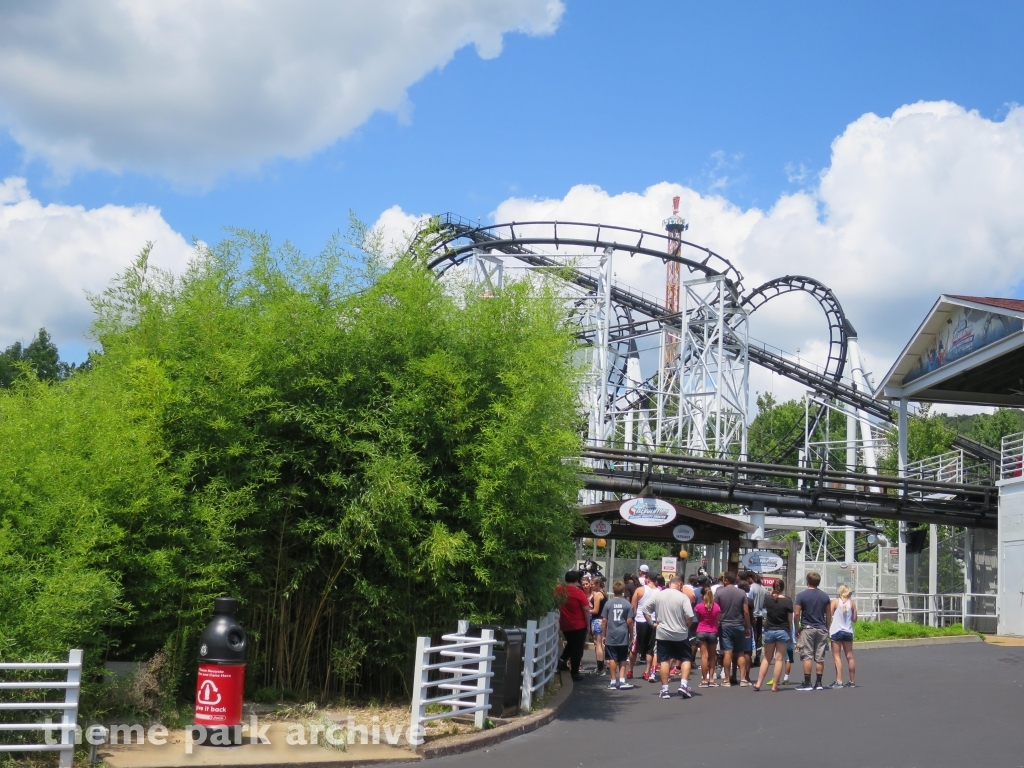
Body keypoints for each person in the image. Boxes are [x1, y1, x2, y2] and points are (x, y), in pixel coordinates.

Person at [642, 576, 695, 699]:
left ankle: (665, 690)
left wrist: (651, 623)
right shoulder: (683, 597)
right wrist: (687, 625)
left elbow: (645, 609)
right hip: (680, 633)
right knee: (686, 658)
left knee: (664, 660)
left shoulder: (659, 595)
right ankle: (684, 685)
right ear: (680, 585)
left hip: (663, 633)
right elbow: (690, 615)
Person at [794, 571, 833, 691]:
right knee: (820, 657)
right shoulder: (825, 596)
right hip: (821, 628)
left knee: (807, 656)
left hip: (807, 628)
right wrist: (827, 628)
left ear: (807, 581)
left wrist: (797, 628)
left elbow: (796, 614)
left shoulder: (801, 596)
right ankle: (819, 682)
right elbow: (828, 614)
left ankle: (807, 683)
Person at [754, 578, 793, 692]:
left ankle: (758, 683)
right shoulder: (788, 601)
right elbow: (790, 620)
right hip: (783, 630)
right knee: (779, 659)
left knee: (766, 658)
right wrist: (791, 634)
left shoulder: (768, 599)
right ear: (783, 588)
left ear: (773, 587)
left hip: (770, 630)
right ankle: (774, 685)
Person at [714, 571, 751, 686]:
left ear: (725, 580)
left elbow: (716, 610)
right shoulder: (741, 593)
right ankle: (743, 679)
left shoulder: (719, 593)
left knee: (727, 652)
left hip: (724, 625)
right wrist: (748, 626)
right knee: (740, 652)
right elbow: (746, 612)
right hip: (739, 624)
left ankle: (726, 680)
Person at [555, 570, 590, 681]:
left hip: (564, 624)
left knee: (571, 644)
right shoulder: (579, 592)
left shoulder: (559, 589)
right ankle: (575, 672)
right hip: (578, 624)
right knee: (577, 649)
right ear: (577, 580)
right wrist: (588, 625)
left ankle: (562, 661)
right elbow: (586, 610)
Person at [601, 581, 636, 690]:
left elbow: (604, 620)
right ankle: (621, 680)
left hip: (611, 633)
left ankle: (612, 682)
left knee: (612, 657)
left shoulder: (608, 603)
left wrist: (603, 635)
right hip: (623, 634)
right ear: (623, 591)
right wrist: (631, 635)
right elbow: (630, 621)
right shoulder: (627, 604)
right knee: (622, 658)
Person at [693, 580, 721, 687]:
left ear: (702, 595)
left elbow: (699, 618)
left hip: (701, 630)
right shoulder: (717, 607)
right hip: (713, 631)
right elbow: (718, 619)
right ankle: (711, 679)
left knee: (704, 656)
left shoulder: (699, 607)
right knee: (712, 657)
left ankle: (704, 680)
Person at [630, 572, 657, 681]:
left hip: (640, 620)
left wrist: (634, 616)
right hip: (652, 621)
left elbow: (633, 606)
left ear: (648, 579)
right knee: (650, 648)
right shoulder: (659, 592)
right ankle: (647, 671)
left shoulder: (639, 590)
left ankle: (630, 670)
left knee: (634, 647)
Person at [829, 585, 857, 688]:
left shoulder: (835, 602)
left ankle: (839, 680)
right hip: (848, 631)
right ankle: (852, 681)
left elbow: (829, 614)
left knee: (837, 656)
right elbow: (854, 619)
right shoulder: (852, 604)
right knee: (850, 656)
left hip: (836, 631)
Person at [747, 571, 768, 666]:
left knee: (750, 637)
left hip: (752, 615)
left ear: (750, 578)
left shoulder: (751, 588)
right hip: (760, 614)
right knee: (758, 637)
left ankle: (750, 657)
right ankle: (758, 658)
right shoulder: (764, 589)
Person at [590, 577, 608, 676]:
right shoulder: (602, 593)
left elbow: (596, 610)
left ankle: (601, 668)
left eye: (592, 584)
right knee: (598, 644)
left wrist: (587, 610)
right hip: (601, 620)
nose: (591, 585)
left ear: (597, 584)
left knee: (599, 644)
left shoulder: (598, 595)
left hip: (598, 620)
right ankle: (599, 666)